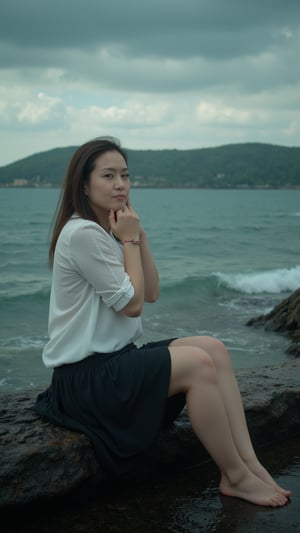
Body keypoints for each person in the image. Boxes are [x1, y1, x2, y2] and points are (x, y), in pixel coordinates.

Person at [35, 137, 290, 508]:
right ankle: (234, 477)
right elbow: (134, 305)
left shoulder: (107, 229)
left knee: (213, 348)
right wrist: (129, 242)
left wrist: (136, 235)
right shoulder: (82, 234)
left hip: (115, 363)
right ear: (84, 186)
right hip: (88, 380)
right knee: (199, 365)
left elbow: (151, 291)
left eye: (125, 175)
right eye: (108, 176)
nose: (120, 184)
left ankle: (249, 464)